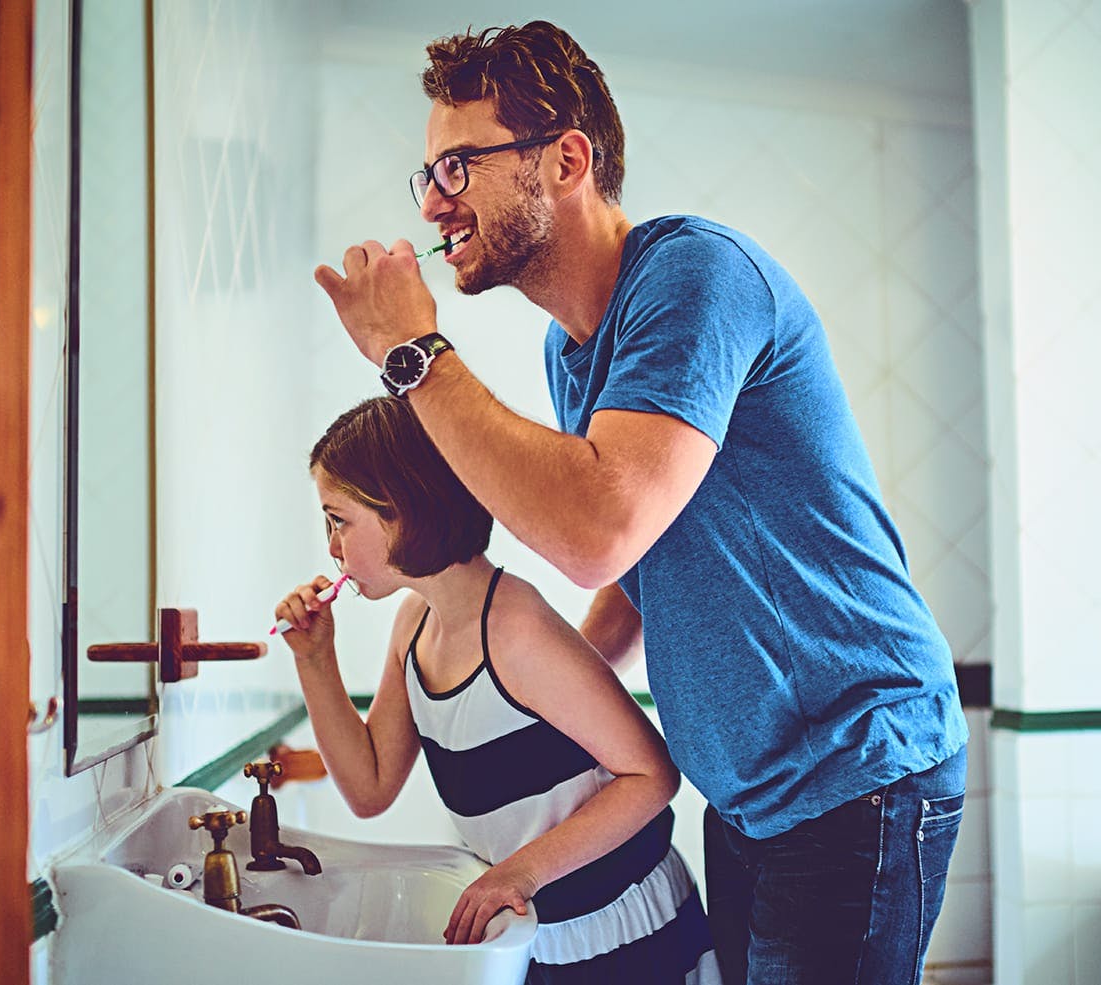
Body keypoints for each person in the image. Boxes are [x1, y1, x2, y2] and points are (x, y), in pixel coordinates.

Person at [312, 20, 969, 984]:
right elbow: (634, 560)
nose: (435, 201)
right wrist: (560, 696)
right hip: (748, 795)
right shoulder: (567, 349)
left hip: (858, 773)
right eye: (430, 174)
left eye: (458, 165)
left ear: (567, 158)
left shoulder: (694, 276)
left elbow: (596, 528)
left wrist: (413, 355)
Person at [275, 396, 721, 983]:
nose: (331, 547)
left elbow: (652, 776)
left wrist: (519, 872)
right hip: (535, 931)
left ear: (402, 509)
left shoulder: (515, 630)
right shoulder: (414, 623)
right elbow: (369, 788)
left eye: (339, 519)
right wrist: (314, 660)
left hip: (619, 929)